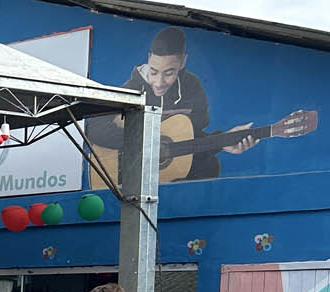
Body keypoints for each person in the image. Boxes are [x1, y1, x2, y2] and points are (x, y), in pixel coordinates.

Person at [85, 26, 257, 182]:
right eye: (154, 72)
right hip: (127, 175)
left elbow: (192, 139)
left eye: (168, 73)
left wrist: (223, 141)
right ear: (149, 58)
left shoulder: (192, 87)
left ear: (182, 62)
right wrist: (146, 142)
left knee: (210, 166)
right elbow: (94, 128)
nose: (159, 82)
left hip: (169, 175)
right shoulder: (133, 89)